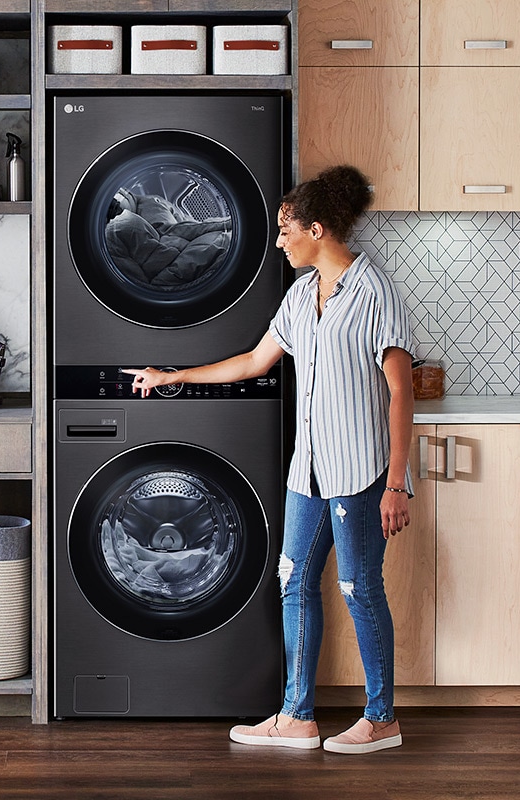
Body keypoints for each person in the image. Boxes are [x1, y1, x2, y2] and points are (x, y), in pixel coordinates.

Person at [123, 165, 415, 755]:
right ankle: (296, 716)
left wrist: (396, 484)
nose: (279, 241)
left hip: (360, 474)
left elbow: (401, 391)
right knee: (294, 582)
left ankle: (382, 717)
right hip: (307, 471)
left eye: (286, 230)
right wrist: (171, 376)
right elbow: (254, 362)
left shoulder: (373, 291)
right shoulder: (301, 295)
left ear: (316, 228)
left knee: (359, 587)